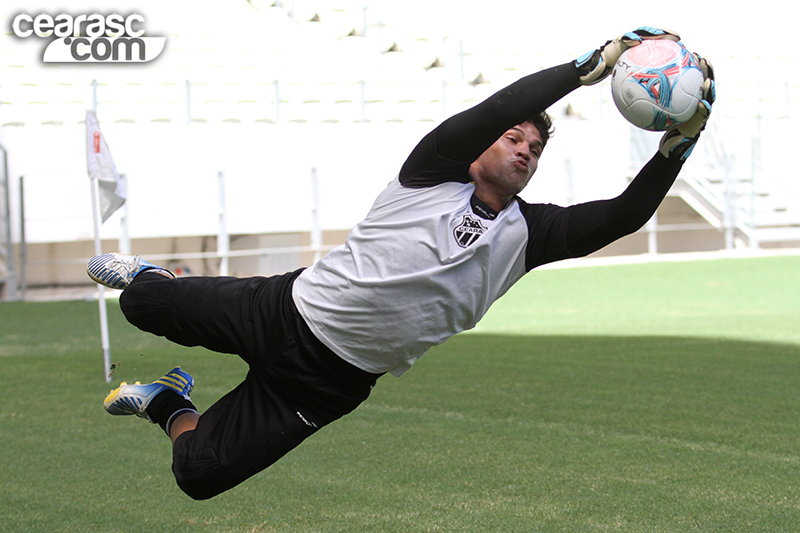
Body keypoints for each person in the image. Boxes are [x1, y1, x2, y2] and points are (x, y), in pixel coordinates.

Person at [88, 27, 715, 500]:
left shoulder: (531, 233)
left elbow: (623, 216)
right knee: (139, 303)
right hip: (283, 312)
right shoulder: (433, 170)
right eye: (513, 138)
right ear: (484, 145)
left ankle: (166, 402)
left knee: (198, 475)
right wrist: (589, 68)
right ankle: (161, 279)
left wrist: (677, 146)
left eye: (534, 146)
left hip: (327, 383)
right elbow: (497, 108)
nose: (524, 148)